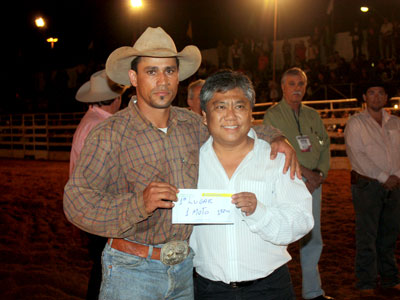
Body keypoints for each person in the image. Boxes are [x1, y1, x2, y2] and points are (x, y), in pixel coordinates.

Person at [63, 27, 301, 300]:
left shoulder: (191, 124)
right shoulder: (110, 134)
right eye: (151, 71)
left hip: (184, 269)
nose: (162, 80)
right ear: (133, 77)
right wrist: (137, 204)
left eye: (169, 71)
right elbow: (76, 200)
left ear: (178, 76)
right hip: (132, 270)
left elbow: (232, 128)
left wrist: (275, 136)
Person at [190, 70, 314, 300]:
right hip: (209, 290)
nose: (230, 116)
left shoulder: (277, 159)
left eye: (239, 106)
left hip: (269, 288)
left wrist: (260, 213)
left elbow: (303, 219)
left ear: (251, 113)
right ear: (205, 116)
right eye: (220, 107)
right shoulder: (189, 164)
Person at [263, 67, 332, 300]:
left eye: (300, 84)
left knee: (312, 236)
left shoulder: (313, 115)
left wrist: (320, 173)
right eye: (291, 84)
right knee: (281, 235)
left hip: (314, 185)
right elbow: (274, 148)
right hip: (287, 183)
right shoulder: (272, 115)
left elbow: (324, 146)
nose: (297, 88)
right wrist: (305, 174)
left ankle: (313, 291)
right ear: (283, 87)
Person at [69, 69, 124, 300]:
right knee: (107, 269)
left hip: (87, 207)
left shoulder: (91, 121)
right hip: (100, 209)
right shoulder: (102, 127)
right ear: (117, 98)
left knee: (103, 268)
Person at [344, 82, 400, 298]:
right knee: (367, 235)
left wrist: (395, 175)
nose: (376, 97)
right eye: (371, 93)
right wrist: (387, 177)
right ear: (364, 97)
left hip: (393, 184)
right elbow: (357, 156)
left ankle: (389, 279)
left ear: (386, 97)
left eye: (380, 93)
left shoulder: (395, 123)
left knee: (389, 235)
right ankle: (366, 281)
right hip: (368, 185)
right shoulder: (356, 123)